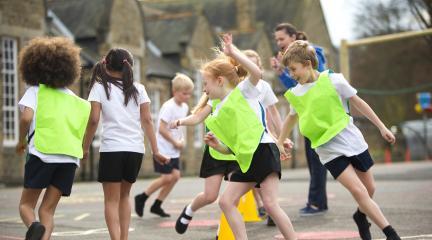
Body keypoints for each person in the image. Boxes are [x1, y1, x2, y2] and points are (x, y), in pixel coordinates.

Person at [278, 40, 401, 240]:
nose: (291, 75)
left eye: (293, 69)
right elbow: (291, 117)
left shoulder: (334, 80)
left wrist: (382, 127)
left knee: (370, 189)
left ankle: (361, 217)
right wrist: (280, 140)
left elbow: (358, 102)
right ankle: (391, 234)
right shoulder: (295, 94)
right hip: (327, 149)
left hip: (350, 139)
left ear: (308, 64)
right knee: (359, 191)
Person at [204, 33, 297, 240]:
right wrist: (217, 145)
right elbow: (231, 148)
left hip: (263, 150)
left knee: (271, 205)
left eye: (206, 83)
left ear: (220, 81)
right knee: (226, 201)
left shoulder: (243, 91)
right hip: (246, 159)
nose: (204, 89)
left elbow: (256, 72)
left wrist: (233, 51)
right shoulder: (216, 115)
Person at [82, 48, 168, 240]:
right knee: (124, 197)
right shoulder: (140, 88)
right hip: (135, 150)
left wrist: (85, 147)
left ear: (107, 65)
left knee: (111, 200)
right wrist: (155, 150)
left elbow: (94, 120)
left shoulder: (99, 87)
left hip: (112, 149)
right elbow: (147, 121)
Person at [16, 37, 90, 240]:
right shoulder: (78, 101)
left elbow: (26, 117)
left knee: (26, 205)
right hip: (68, 160)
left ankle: (34, 226)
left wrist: (21, 141)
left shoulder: (35, 91)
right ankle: (42, 233)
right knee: (47, 211)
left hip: (43, 153)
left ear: (33, 67)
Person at [272, 23, 329, 216]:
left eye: (282, 39)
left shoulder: (312, 53)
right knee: (314, 162)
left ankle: (316, 202)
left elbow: (313, 81)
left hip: (320, 115)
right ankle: (318, 201)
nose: (279, 43)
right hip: (307, 115)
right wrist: (281, 72)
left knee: (319, 160)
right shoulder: (291, 61)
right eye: (276, 39)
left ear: (293, 36)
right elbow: (296, 86)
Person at [134, 73, 194, 218]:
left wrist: (182, 141)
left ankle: (157, 205)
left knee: (176, 176)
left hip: (174, 149)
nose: (187, 97)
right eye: (184, 93)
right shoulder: (168, 106)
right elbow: (161, 129)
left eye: (189, 94)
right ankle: (141, 197)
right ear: (175, 92)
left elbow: (181, 127)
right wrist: (174, 142)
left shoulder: (184, 107)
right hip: (163, 148)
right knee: (168, 177)